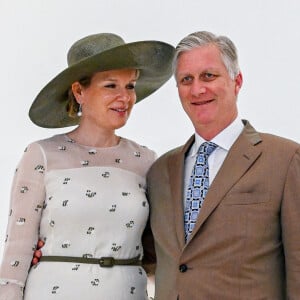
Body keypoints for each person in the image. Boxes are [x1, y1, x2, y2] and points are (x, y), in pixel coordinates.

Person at [0, 32, 174, 300]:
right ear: (79, 91)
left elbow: (161, 247)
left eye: (130, 86)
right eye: (110, 86)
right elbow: (17, 252)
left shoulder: (146, 161)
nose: (124, 97)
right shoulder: (42, 155)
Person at [145, 31, 300, 299]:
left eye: (208, 76)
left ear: (236, 81)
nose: (197, 89)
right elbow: (141, 252)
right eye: (186, 80)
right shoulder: (160, 172)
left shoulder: (285, 160)